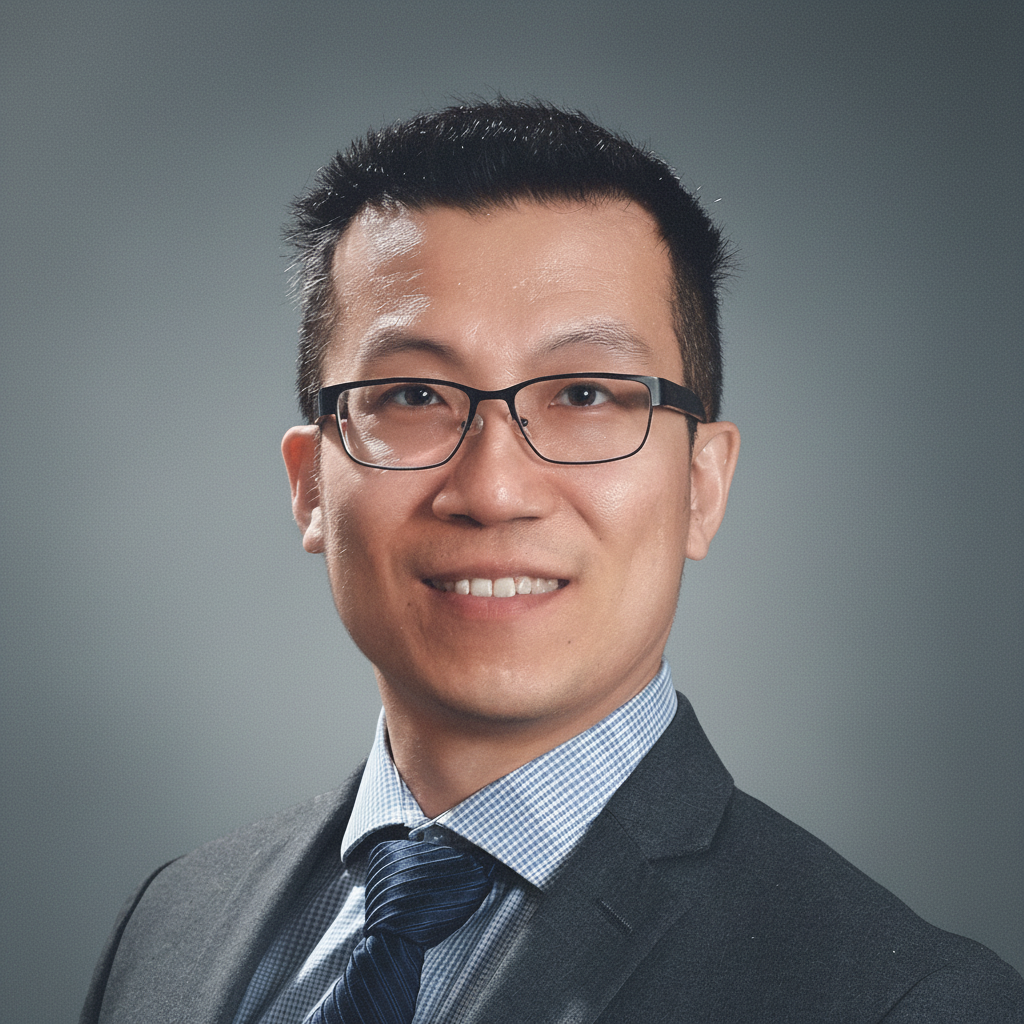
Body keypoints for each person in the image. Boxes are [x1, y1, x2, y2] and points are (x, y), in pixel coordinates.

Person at [81, 100, 1024, 1024]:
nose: (493, 490)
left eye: (584, 393)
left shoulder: (903, 1000)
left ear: (702, 483)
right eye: (412, 394)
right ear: (310, 486)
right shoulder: (169, 926)